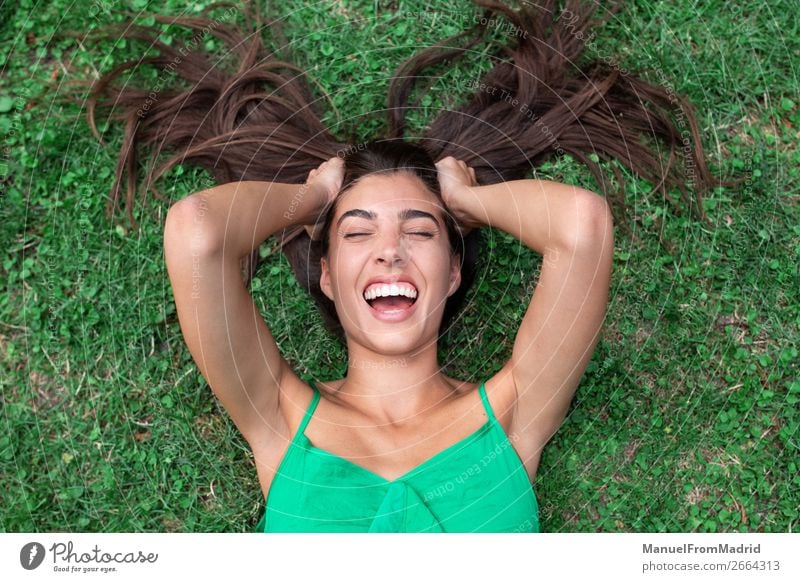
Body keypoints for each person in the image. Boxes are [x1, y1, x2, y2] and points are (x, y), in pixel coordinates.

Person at [80, 0, 716, 532]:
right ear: (327, 275)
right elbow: (198, 233)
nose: (391, 250)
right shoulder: (277, 417)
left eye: (420, 229)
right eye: (358, 234)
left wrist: (466, 201)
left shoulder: (515, 413)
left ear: (455, 271)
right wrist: (313, 201)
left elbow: (582, 226)